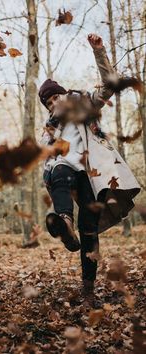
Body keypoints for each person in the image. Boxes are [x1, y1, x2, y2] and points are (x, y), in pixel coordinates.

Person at [39, 34, 140, 303]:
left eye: (55, 98)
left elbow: (109, 85)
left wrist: (99, 51)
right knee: (58, 169)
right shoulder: (49, 131)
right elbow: (46, 158)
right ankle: (64, 224)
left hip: (90, 176)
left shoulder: (83, 105)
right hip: (65, 171)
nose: (52, 103)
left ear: (64, 94)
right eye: (48, 103)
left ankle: (87, 289)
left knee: (90, 229)